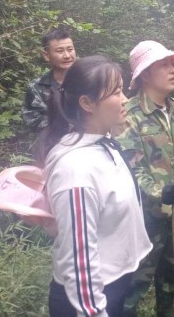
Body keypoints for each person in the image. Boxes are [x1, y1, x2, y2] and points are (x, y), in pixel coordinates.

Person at [36, 55, 152, 317]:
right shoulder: (76, 167)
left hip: (114, 283)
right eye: (116, 92)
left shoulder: (103, 143)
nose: (125, 100)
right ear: (87, 103)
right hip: (90, 298)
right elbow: (79, 260)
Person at [115, 40, 174, 317]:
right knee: (131, 289)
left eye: (172, 64)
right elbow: (130, 169)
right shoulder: (129, 115)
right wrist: (158, 193)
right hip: (144, 221)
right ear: (145, 74)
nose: (173, 69)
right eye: (164, 65)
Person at [22, 27, 77, 129]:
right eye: (60, 51)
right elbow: (33, 120)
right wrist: (70, 127)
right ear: (46, 55)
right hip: (54, 138)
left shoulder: (87, 80)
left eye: (70, 49)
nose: (67, 56)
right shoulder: (36, 87)